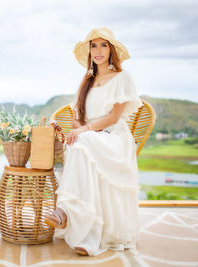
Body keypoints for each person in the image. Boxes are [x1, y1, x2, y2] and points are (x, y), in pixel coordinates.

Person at [44, 27, 143, 256]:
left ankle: (63, 211)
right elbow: (77, 118)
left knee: (82, 143)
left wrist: (86, 130)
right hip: (91, 139)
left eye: (103, 45)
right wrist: (79, 130)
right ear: (89, 51)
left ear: (111, 50)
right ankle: (82, 230)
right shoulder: (86, 81)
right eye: (93, 45)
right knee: (79, 145)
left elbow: (113, 117)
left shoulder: (123, 77)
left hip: (115, 139)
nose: (98, 50)